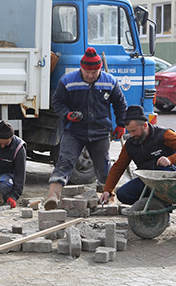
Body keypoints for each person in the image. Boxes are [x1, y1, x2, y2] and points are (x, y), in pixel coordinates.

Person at [44, 47, 127, 210]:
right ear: (81, 68)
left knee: (103, 167)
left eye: (94, 72)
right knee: (65, 162)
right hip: (74, 131)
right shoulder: (68, 81)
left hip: (100, 131)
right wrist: (67, 114)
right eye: (87, 72)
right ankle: (52, 197)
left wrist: (121, 124)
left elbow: (120, 104)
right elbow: (58, 102)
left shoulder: (110, 81)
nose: (90, 75)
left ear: (100, 69)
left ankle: (109, 198)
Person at [99, 105, 176, 205]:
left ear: (145, 126)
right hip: (148, 180)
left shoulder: (163, 134)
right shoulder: (130, 144)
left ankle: (163, 205)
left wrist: (170, 160)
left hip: (170, 177)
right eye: (129, 131)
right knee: (123, 194)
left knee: (160, 180)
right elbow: (119, 167)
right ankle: (154, 203)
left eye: (133, 130)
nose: (131, 135)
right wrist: (108, 190)